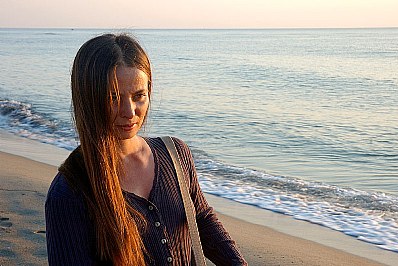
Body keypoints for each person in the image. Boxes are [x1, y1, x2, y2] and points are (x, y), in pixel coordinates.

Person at [45, 33, 247, 265]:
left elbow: (200, 218)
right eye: (112, 98)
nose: (129, 112)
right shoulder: (69, 191)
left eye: (138, 96)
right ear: (88, 98)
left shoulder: (175, 153)